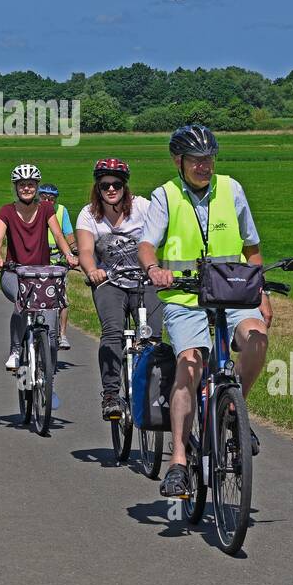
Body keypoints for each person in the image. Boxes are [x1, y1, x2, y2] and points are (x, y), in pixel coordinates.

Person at [137, 124, 270, 500]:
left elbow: (252, 246)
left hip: (232, 296)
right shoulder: (165, 195)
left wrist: (262, 293)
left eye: (208, 159)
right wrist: (154, 270)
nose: (204, 167)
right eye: (196, 160)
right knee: (190, 364)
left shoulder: (231, 189)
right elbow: (147, 244)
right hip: (185, 298)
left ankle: (234, 409)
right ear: (178, 161)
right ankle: (178, 461)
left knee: (257, 339)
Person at [76, 158, 163, 422]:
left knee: (153, 336)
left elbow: (162, 235)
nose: (111, 189)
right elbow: (87, 251)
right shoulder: (88, 214)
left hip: (144, 280)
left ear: (125, 187)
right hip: (109, 282)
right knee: (112, 330)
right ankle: (111, 394)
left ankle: (155, 391)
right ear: (97, 188)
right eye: (105, 185)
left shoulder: (143, 207)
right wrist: (92, 271)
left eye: (116, 184)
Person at [0, 164, 78, 373]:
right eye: (22, 185)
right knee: (22, 302)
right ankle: (15, 350)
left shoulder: (46, 209)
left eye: (30, 185)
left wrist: (68, 254)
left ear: (37, 187)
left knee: (50, 320)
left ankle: (47, 363)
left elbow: (58, 235)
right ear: (16, 187)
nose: (27, 188)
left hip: (42, 272)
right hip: (14, 272)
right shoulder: (7, 211)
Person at [38, 183, 76, 349]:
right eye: (44, 198)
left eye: (51, 199)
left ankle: (62, 335)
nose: (48, 201)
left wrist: (74, 250)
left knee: (63, 299)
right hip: (38, 259)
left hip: (58, 259)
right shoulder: (34, 209)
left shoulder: (61, 211)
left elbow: (68, 234)